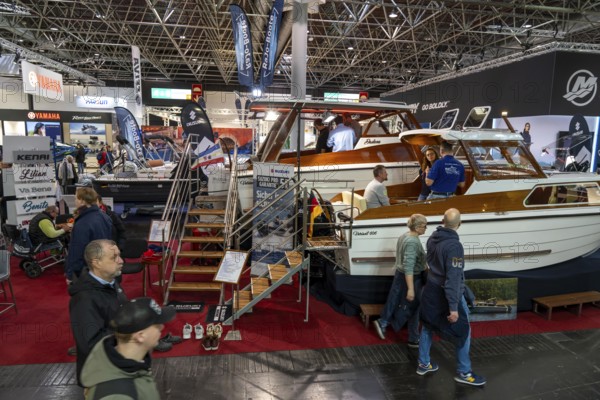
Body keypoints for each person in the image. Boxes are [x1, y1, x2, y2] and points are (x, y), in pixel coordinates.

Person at [416, 208, 486, 386]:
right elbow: (453, 279)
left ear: (442, 220)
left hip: (430, 289)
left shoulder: (432, 237)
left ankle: (424, 363)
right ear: (459, 224)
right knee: (463, 331)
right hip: (445, 292)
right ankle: (464, 373)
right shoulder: (454, 246)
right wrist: (453, 307)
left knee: (428, 326)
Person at [81, 297, 175, 399]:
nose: (162, 327)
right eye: (157, 325)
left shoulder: (132, 365)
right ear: (140, 336)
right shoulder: (117, 395)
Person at [69, 239, 128, 387]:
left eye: (119, 255)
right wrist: (129, 332)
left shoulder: (111, 283)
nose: (121, 261)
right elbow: (91, 343)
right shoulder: (84, 299)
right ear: (96, 262)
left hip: (117, 368)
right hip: (101, 378)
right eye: (113, 257)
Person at [373, 214, 428, 347]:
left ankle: (386, 323)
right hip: (411, 277)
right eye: (425, 226)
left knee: (396, 299)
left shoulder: (405, 236)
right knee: (413, 306)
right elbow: (409, 266)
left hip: (401, 274)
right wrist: (410, 289)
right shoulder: (412, 242)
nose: (426, 228)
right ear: (418, 227)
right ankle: (412, 337)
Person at [65, 187, 113, 283]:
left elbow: (77, 250)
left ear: (82, 201)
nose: (75, 201)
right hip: (102, 265)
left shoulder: (83, 222)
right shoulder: (105, 216)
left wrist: (71, 275)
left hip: (87, 271)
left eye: (76, 198)